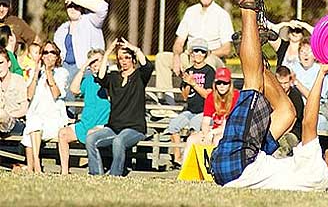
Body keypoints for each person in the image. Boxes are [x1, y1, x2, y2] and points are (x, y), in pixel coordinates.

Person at [210, 0, 328, 192]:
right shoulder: (318, 177)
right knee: (287, 113)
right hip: (240, 165)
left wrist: (322, 73)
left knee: (253, 85)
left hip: (237, 165)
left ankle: (247, 4)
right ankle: (252, 45)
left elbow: (308, 122)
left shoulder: (318, 172)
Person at [155, 0, 234, 102]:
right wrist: (176, 56)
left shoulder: (222, 15)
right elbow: (179, 41)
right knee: (162, 58)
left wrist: (203, 55)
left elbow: (227, 49)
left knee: (208, 64)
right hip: (189, 56)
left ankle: (206, 104)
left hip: (212, 57)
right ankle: (167, 104)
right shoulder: (190, 12)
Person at [86, 38, 153, 176]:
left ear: (133, 60)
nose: (124, 61)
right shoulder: (114, 77)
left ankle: (115, 175)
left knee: (119, 141)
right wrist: (107, 53)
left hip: (134, 129)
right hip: (113, 128)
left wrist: (135, 49)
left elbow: (148, 66)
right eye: (121, 58)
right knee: (90, 139)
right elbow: (101, 76)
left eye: (127, 57)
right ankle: (96, 174)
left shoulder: (139, 76)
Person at [57, 49, 110, 175]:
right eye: (93, 63)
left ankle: (96, 172)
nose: (96, 65)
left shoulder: (110, 79)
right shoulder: (88, 80)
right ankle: (64, 172)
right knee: (63, 133)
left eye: (99, 62)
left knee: (92, 134)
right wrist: (84, 67)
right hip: (85, 124)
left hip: (103, 125)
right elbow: (74, 90)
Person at [164, 38, 215, 167]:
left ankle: (191, 159)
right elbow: (185, 96)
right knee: (173, 126)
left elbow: (208, 95)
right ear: (191, 53)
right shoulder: (188, 70)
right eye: (196, 51)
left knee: (194, 126)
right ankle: (178, 158)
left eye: (202, 52)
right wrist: (187, 83)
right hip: (190, 110)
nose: (198, 54)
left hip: (205, 112)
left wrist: (194, 83)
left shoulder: (209, 71)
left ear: (206, 54)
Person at [22, 41, 70, 173]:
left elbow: (56, 93)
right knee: (33, 122)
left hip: (53, 118)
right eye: (45, 52)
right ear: (41, 56)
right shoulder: (36, 73)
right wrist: (36, 74)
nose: (49, 55)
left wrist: (49, 71)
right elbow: (29, 95)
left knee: (31, 127)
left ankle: (33, 167)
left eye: (52, 52)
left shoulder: (62, 72)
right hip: (36, 118)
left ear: (57, 56)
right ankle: (36, 163)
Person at [53, 0, 109, 101]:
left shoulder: (91, 20)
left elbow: (103, 7)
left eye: (76, 6)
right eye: (70, 6)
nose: (73, 9)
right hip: (66, 67)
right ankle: (69, 115)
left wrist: (78, 0)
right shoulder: (62, 29)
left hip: (88, 68)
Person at [183, 67, 240, 159]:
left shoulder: (236, 96)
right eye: (218, 83)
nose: (221, 85)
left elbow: (231, 124)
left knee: (217, 140)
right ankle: (187, 170)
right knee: (191, 140)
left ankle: (217, 169)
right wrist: (206, 134)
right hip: (214, 130)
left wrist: (212, 133)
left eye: (225, 83)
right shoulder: (211, 97)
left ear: (230, 84)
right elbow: (206, 121)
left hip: (231, 131)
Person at [291, 39, 328, 131]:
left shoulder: (321, 72)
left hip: (315, 110)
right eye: (302, 51)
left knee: (320, 122)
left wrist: (296, 83)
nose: (305, 54)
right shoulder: (293, 69)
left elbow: (314, 98)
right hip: (295, 109)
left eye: (309, 52)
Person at [274, 65, 304, 157]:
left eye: (285, 83)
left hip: (292, 131)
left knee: (284, 144)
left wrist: (280, 134)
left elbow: (293, 120)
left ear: (290, 81)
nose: (283, 86)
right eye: (280, 83)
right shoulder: (274, 95)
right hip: (277, 129)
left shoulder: (295, 96)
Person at [0, 47, 28, 137]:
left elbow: (24, 109)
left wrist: (8, 115)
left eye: (1, 63)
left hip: (16, 122)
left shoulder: (18, 80)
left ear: (8, 63)